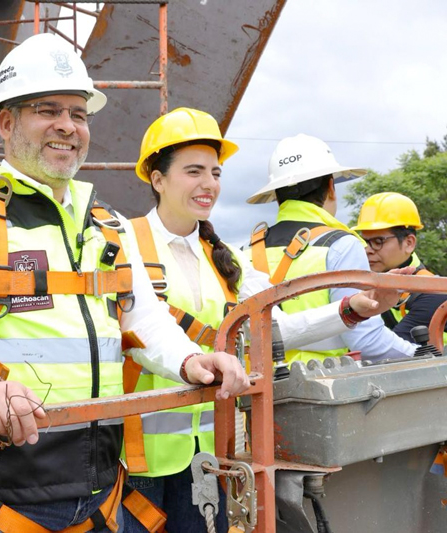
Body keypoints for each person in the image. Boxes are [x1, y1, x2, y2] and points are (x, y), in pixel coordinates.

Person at [0, 34, 249, 533]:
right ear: (6, 122)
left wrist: (188, 359)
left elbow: (143, 317)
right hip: (4, 493)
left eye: (79, 113)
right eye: (48, 110)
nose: (67, 126)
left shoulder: (106, 224)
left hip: (102, 489)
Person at [122, 109, 410, 533]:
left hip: (210, 452)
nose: (209, 184)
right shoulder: (122, 242)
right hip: (139, 457)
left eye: (216, 172)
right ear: (157, 178)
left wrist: (353, 308)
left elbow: (272, 330)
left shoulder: (227, 259)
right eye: (193, 171)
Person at [246, 134, 416, 362]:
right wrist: (422, 355)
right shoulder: (341, 245)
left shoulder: (248, 250)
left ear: (278, 197)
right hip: (324, 386)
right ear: (330, 187)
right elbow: (366, 341)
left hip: (257, 387)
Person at [352, 192, 447, 344]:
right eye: (365, 242)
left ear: (409, 243)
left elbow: (386, 352)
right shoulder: (375, 286)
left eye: (378, 241)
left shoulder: (433, 294)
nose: (368, 250)